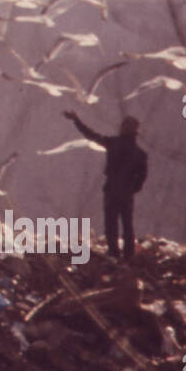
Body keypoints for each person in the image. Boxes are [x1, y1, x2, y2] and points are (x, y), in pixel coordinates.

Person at [62, 111, 147, 260]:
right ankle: (129, 254)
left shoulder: (113, 143)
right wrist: (134, 188)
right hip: (126, 193)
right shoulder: (140, 154)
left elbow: (91, 135)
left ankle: (114, 252)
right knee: (127, 223)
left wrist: (76, 120)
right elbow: (142, 177)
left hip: (112, 190)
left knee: (111, 224)